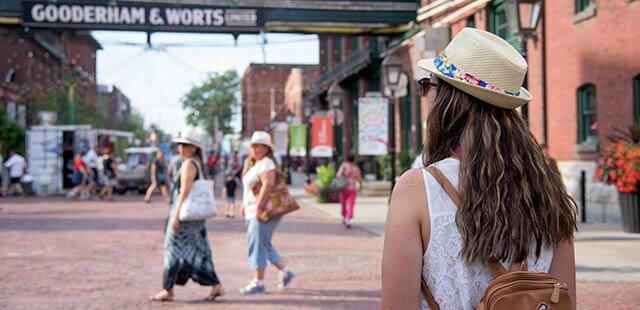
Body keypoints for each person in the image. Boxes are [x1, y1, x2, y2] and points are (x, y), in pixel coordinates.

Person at [381, 28, 578, 309]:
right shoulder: (548, 192)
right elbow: (565, 299)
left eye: (429, 84)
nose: (426, 95)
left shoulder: (417, 190)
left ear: (447, 98)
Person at [150, 128, 224, 302]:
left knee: (172, 250)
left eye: (186, 145)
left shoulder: (189, 164)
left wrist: (175, 216)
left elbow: (185, 190)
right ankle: (215, 285)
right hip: (193, 218)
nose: (181, 149)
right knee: (199, 250)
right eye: (180, 145)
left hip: (185, 216)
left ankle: (167, 289)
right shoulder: (197, 163)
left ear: (195, 148)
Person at [240, 131, 295, 295]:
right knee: (263, 243)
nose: (255, 149)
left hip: (263, 211)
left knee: (257, 244)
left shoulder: (266, 163)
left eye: (259, 146)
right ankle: (285, 271)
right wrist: (245, 204)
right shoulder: (255, 164)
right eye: (253, 146)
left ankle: (259, 281)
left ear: (266, 148)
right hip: (253, 210)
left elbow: (267, 185)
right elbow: (249, 189)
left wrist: (258, 207)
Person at [336, 155, 362, 228]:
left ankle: (344, 217)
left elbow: (338, 175)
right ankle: (348, 218)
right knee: (350, 204)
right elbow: (359, 178)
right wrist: (359, 186)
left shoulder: (344, 166)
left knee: (343, 203)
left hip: (343, 187)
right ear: (353, 160)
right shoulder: (356, 168)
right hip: (352, 188)